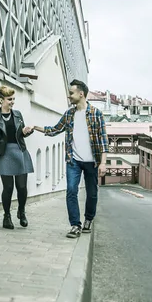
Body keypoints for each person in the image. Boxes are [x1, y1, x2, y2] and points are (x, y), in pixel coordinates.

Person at [28, 79, 108, 238]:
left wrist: (103, 162)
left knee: (92, 193)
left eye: (71, 93)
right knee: (71, 191)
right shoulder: (69, 114)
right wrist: (35, 127)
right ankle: (75, 225)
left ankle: (88, 220)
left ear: (81, 94)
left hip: (93, 162)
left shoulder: (96, 114)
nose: (69, 96)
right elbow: (54, 130)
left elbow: (104, 140)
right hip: (74, 161)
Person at [0, 85, 35, 229]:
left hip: (20, 152)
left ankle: (22, 211)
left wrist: (26, 131)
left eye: (13, 99)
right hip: (4, 154)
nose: (12, 102)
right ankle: (6, 216)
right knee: (8, 188)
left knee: (22, 187)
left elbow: (21, 134)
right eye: (9, 99)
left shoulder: (18, 115)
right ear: (1, 100)